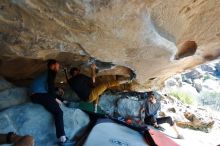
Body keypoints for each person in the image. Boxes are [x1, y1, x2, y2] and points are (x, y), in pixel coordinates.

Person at [30, 59, 73, 145]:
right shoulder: (50, 72)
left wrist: (57, 89)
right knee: (59, 112)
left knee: (56, 97)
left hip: (38, 94)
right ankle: (62, 139)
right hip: (38, 95)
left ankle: (64, 101)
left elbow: (49, 87)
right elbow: (50, 89)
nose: (58, 67)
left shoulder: (47, 73)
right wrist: (55, 99)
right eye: (57, 66)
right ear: (52, 66)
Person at [65, 64, 135, 112]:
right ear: (77, 72)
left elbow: (67, 78)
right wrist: (92, 69)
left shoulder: (70, 82)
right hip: (90, 95)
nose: (79, 72)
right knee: (107, 84)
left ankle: (95, 109)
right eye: (78, 71)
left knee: (96, 91)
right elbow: (93, 80)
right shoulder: (80, 76)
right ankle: (128, 80)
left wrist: (65, 71)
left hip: (87, 98)